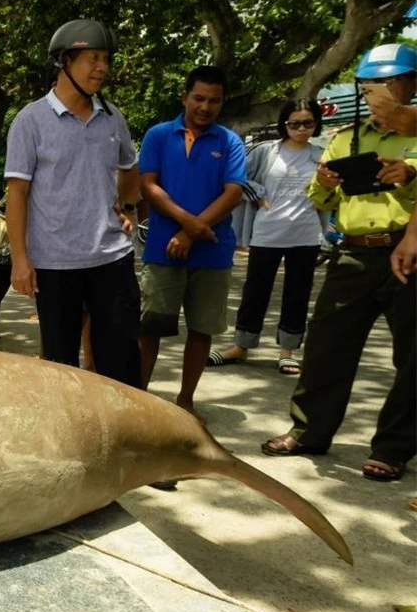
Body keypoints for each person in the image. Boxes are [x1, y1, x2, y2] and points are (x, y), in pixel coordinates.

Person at [261, 43, 416, 482]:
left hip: (408, 252)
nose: (379, 95)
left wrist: (408, 177)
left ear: (411, 85)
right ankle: (308, 430)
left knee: (413, 357)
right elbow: (320, 199)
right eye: (371, 87)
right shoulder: (347, 137)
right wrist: (325, 182)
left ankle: (394, 446)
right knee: (327, 345)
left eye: (390, 84)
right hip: (352, 251)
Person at [5, 19, 142, 386]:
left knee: (121, 361)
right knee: (59, 365)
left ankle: (122, 437)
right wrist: (20, 259)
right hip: (54, 263)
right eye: (92, 58)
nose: (102, 68)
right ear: (64, 62)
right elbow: (16, 193)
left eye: (106, 59)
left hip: (111, 257)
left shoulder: (112, 119)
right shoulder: (30, 121)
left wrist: (128, 208)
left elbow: (130, 169)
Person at [137, 66, 247, 422]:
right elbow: (148, 186)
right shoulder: (158, 135)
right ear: (185, 97)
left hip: (213, 252)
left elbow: (234, 193)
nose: (205, 106)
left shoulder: (229, 141)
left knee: (202, 330)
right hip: (162, 249)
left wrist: (190, 233)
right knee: (150, 329)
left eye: (214, 100)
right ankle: (138, 399)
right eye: (199, 98)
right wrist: (190, 224)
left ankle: (185, 401)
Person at [207, 100, 325, 376]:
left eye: (308, 123)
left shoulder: (321, 155)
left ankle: (288, 351)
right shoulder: (266, 152)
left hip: (306, 233)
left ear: (316, 124)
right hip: (267, 232)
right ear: (284, 124)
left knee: (297, 293)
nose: (301, 129)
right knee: (255, 291)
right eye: (294, 123)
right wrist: (258, 193)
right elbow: (238, 176)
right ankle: (241, 346)